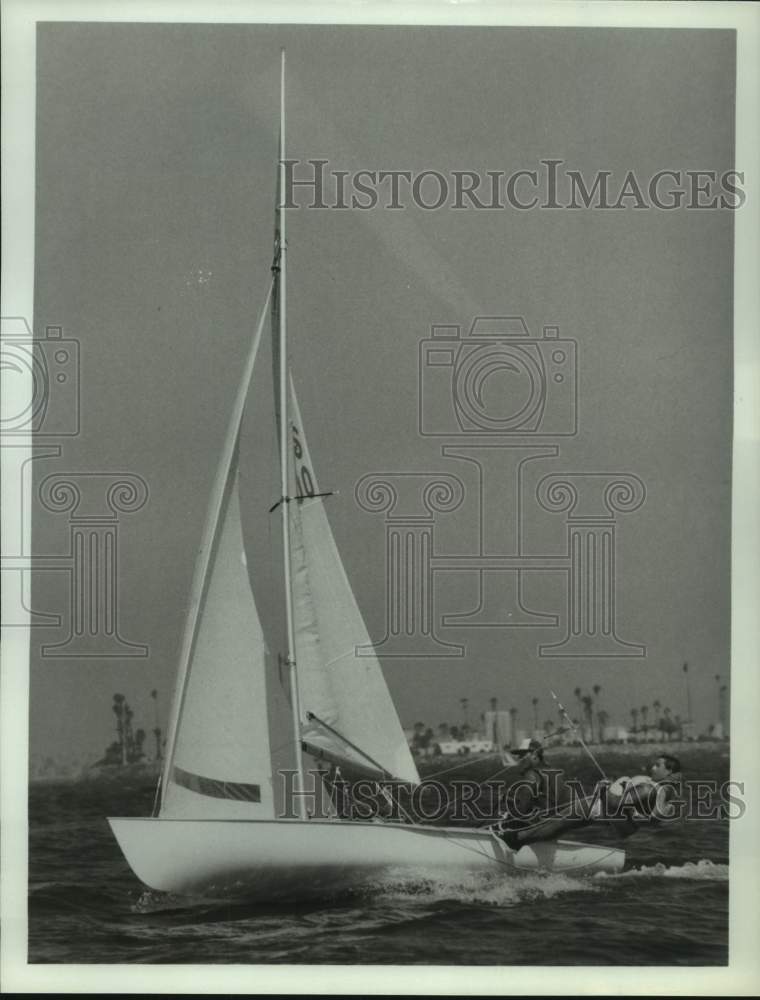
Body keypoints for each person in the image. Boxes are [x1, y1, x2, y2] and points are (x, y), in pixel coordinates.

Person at [495, 753, 682, 849]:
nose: (653, 767)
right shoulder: (661, 793)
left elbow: (616, 803)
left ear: (668, 771)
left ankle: (514, 840)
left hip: (598, 807)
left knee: (557, 821)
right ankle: (528, 840)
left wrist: (605, 789)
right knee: (561, 825)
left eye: (658, 765)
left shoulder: (648, 788)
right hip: (603, 815)